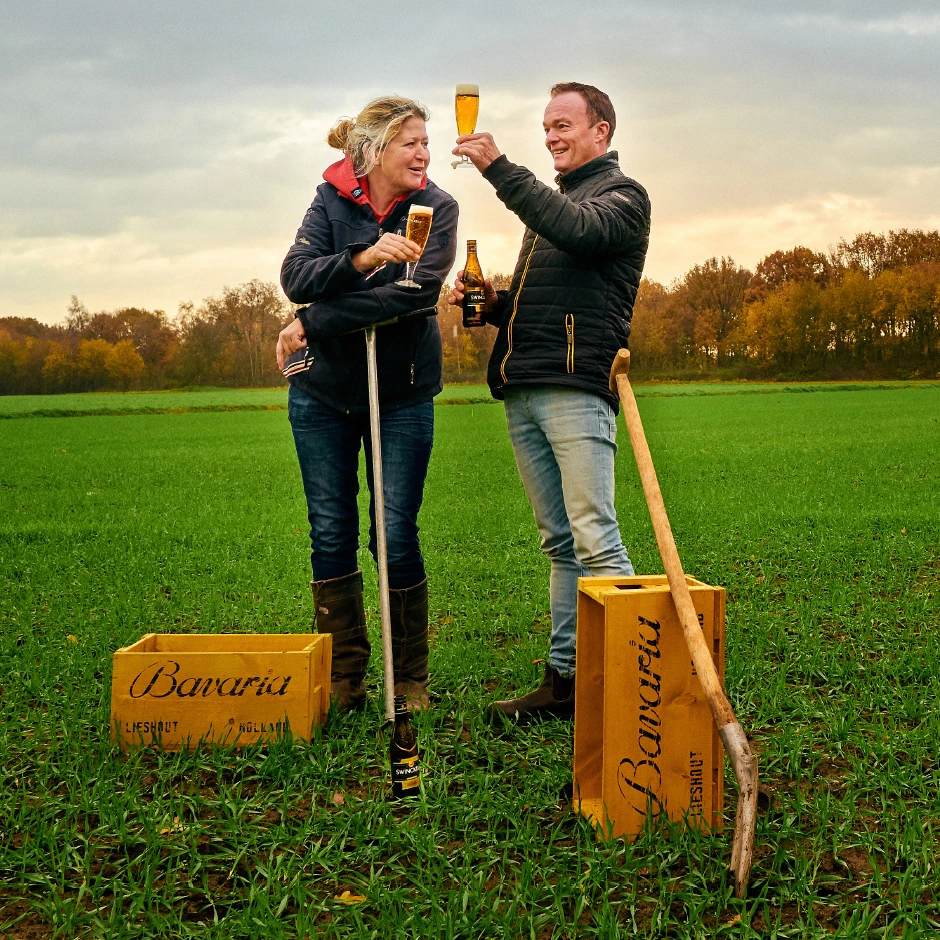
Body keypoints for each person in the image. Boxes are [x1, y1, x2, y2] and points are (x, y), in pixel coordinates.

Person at [449, 82, 650, 721]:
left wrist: (501, 170)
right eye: (546, 127)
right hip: (525, 386)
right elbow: (552, 298)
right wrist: (494, 306)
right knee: (560, 543)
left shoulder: (622, 200)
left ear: (602, 132)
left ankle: (627, 685)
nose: (551, 136)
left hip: (576, 390)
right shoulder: (553, 207)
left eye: (563, 124)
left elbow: (581, 234)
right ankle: (564, 684)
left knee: (596, 539)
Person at [277, 96, 458, 714]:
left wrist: (312, 322)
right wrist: (362, 256)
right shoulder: (330, 200)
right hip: (323, 396)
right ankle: (345, 681)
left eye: (426, 143)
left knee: (395, 534)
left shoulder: (438, 208)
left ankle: (408, 680)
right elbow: (295, 275)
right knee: (330, 532)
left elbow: (411, 296)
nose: (424, 154)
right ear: (374, 150)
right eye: (411, 143)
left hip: (403, 393)